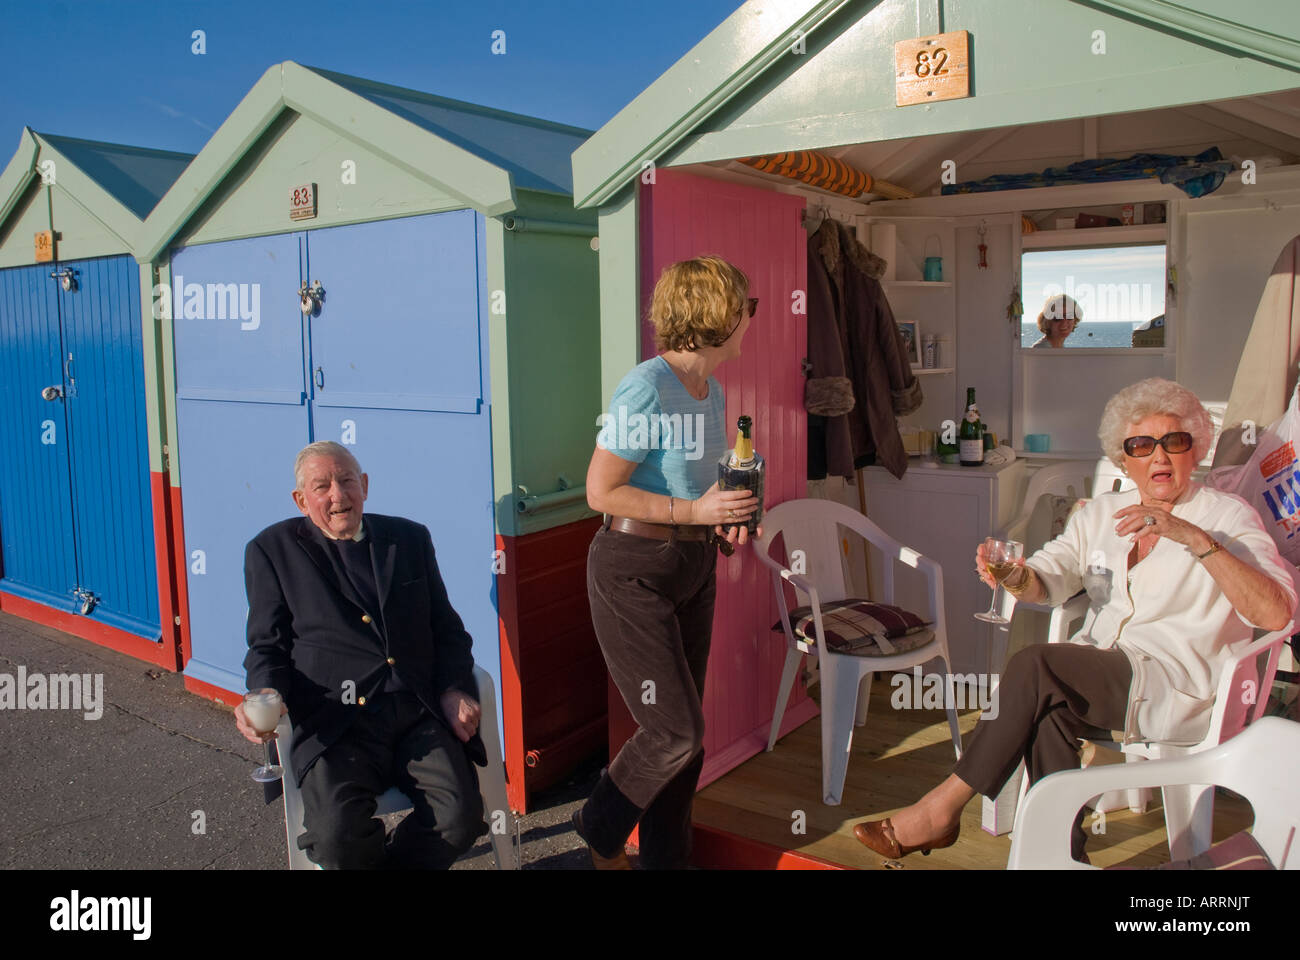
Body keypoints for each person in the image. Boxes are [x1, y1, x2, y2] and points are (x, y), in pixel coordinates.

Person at [853, 377, 1296, 863]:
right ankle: (1061, 857)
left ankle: (942, 807)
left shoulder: (1228, 518)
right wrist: (1015, 577)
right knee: (1046, 711)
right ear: (1124, 458)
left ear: (1196, 450)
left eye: (1175, 442)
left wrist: (1192, 538)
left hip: (1179, 685)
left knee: (1034, 667)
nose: (1160, 457)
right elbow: (1049, 579)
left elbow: (1277, 612)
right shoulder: (1099, 514)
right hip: (1103, 673)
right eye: (1141, 445)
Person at [573, 256, 762, 869]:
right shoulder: (647, 386)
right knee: (673, 732)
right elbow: (600, 491)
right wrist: (694, 515)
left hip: (692, 567)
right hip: (633, 571)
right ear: (717, 316)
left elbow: (697, 491)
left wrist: (722, 520)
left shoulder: (714, 390)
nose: (751, 319)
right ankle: (599, 829)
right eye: (747, 308)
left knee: (689, 741)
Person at [234, 441, 487, 869]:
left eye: (347, 480)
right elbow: (266, 645)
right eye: (322, 486)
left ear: (365, 486)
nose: (338, 495)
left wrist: (452, 688)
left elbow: (447, 629)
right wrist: (263, 693)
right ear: (301, 500)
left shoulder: (409, 538)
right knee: (336, 838)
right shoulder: (271, 550)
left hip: (415, 714)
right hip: (335, 722)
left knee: (460, 822)